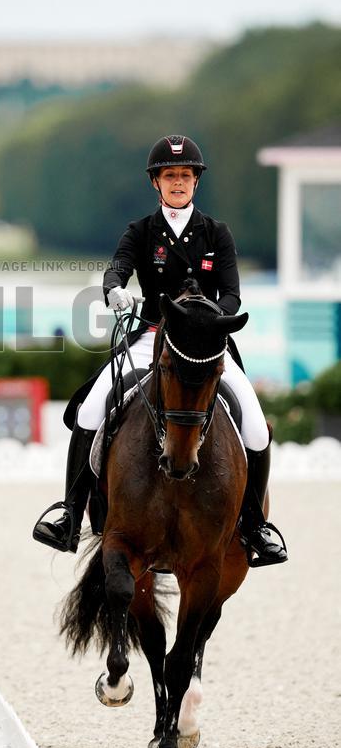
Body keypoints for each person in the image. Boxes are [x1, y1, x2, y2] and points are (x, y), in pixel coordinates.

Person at [32, 134, 287, 568]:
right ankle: (70, 514)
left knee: (256, 426)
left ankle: (254, 526)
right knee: (91, 410)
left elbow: (232, 295)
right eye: (170, 176)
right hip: (153, 336)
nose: (178, 182)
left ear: (195, 181)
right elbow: (118, 268)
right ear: (156, 182)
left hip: (206, 345)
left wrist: (208, 320)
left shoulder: (216, 233)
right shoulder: (142, 231)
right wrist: (113, 288)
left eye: (185, 175)